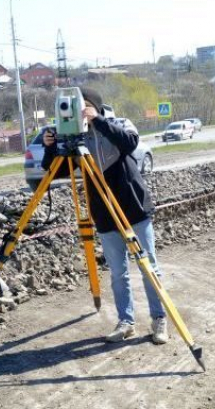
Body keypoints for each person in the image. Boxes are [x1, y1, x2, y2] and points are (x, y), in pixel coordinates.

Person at [41, 89, 168, 345]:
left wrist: (98, 120)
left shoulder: (117, 123)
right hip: (104, 213)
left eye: (86, 106)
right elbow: (55, 171)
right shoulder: (76, 137)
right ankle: (126, 321)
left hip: (133, 208)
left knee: (149, 268)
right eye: (78, 108)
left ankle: (159, 318)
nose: (82, 112)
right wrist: (51, 148)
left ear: (96, 106)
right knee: (118, 273)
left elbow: (130, 143)